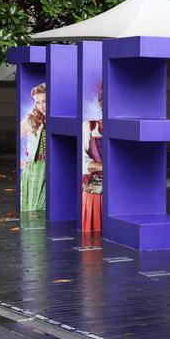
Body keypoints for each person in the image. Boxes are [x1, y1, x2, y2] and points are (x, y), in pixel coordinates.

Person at [19, 83, 48, 215]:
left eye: (45, 101)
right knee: (34, 208)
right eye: (38, 102)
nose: (41, 106)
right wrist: (21, 162)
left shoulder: (59, 118)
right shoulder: (31, 120)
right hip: (34, 169)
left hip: (52, 168)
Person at [81, 82, 104, 233]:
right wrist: (103, 167)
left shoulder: (126, 127)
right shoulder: (88, 126)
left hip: (121, 193)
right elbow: (80, 161)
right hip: (95, 193)